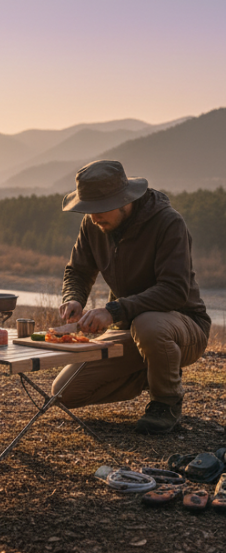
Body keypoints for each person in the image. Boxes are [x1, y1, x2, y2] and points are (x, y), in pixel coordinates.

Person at [51, 159, 210, 434]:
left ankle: (166, 402)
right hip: (129, 329)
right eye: (87, 210)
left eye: (99, 209)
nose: (93, 217)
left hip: (183, 327)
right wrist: (74, 298)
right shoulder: (94, 225)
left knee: (148, 324)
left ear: (125, 200)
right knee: (64, 392)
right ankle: (157, 368)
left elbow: (174, 290)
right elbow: (77, 270)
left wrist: (112, 311)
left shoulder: (168, 222)